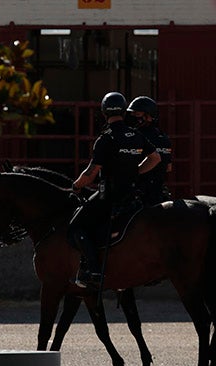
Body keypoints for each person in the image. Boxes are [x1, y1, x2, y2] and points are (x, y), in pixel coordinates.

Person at [69, 91, 161, 289]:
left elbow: (91, 173)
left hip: (109, 196)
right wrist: (135, 172)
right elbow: (156, 159)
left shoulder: (106, 138)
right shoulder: (135, 135)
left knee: (76, 226)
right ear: (123, 110)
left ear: (104, 112)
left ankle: (93, 270)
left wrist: (76, 186)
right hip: (133, 195)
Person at [126, 95, 173, 205]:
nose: (132, 116)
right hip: (160, 193)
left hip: (140, 194)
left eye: (137, 113)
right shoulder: (164, 137)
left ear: (148, 116)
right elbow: (168, 167)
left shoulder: (136, 136)